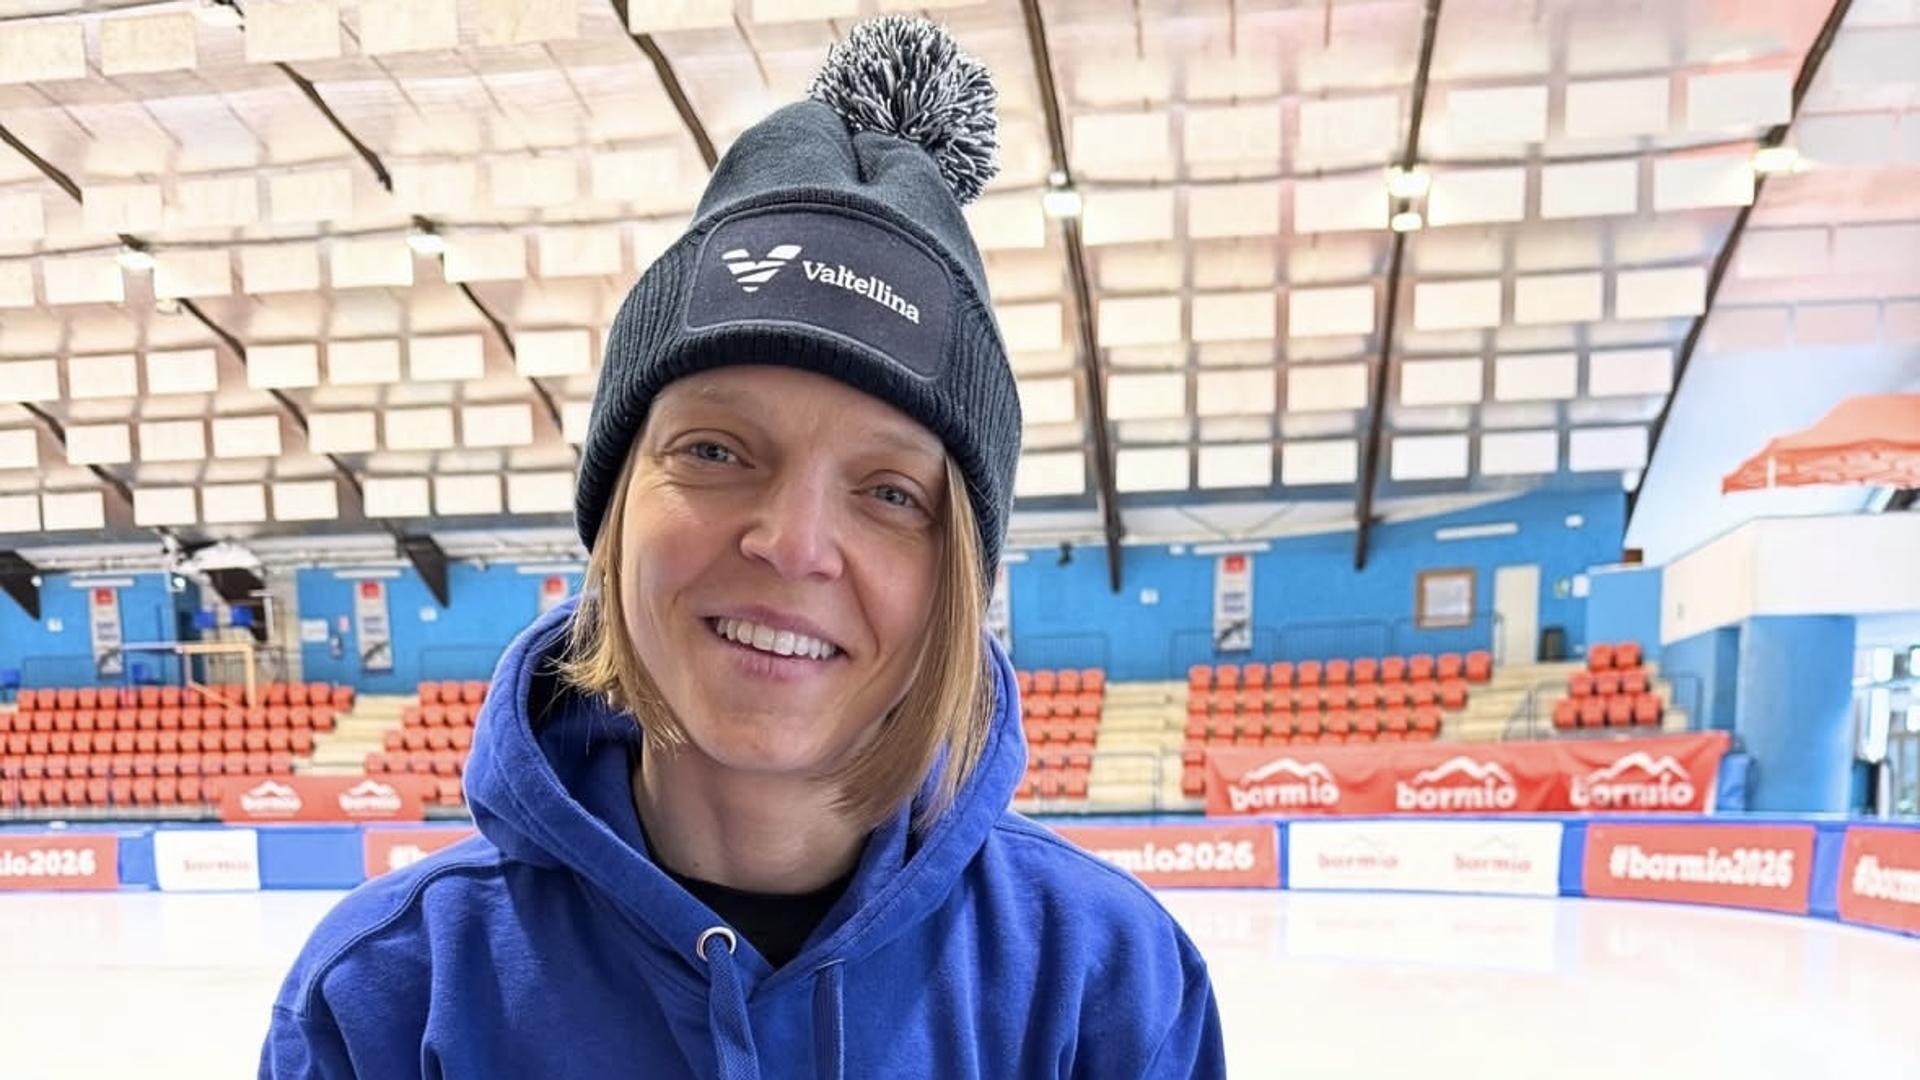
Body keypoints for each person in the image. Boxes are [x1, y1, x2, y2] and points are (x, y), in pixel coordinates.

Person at [262, 16, 1224, 1078]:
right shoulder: (388, 997)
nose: (792, 543)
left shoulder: (1105, 986)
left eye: (891, 493)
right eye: (715, 450)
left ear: (959, 577)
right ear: (616, 508)